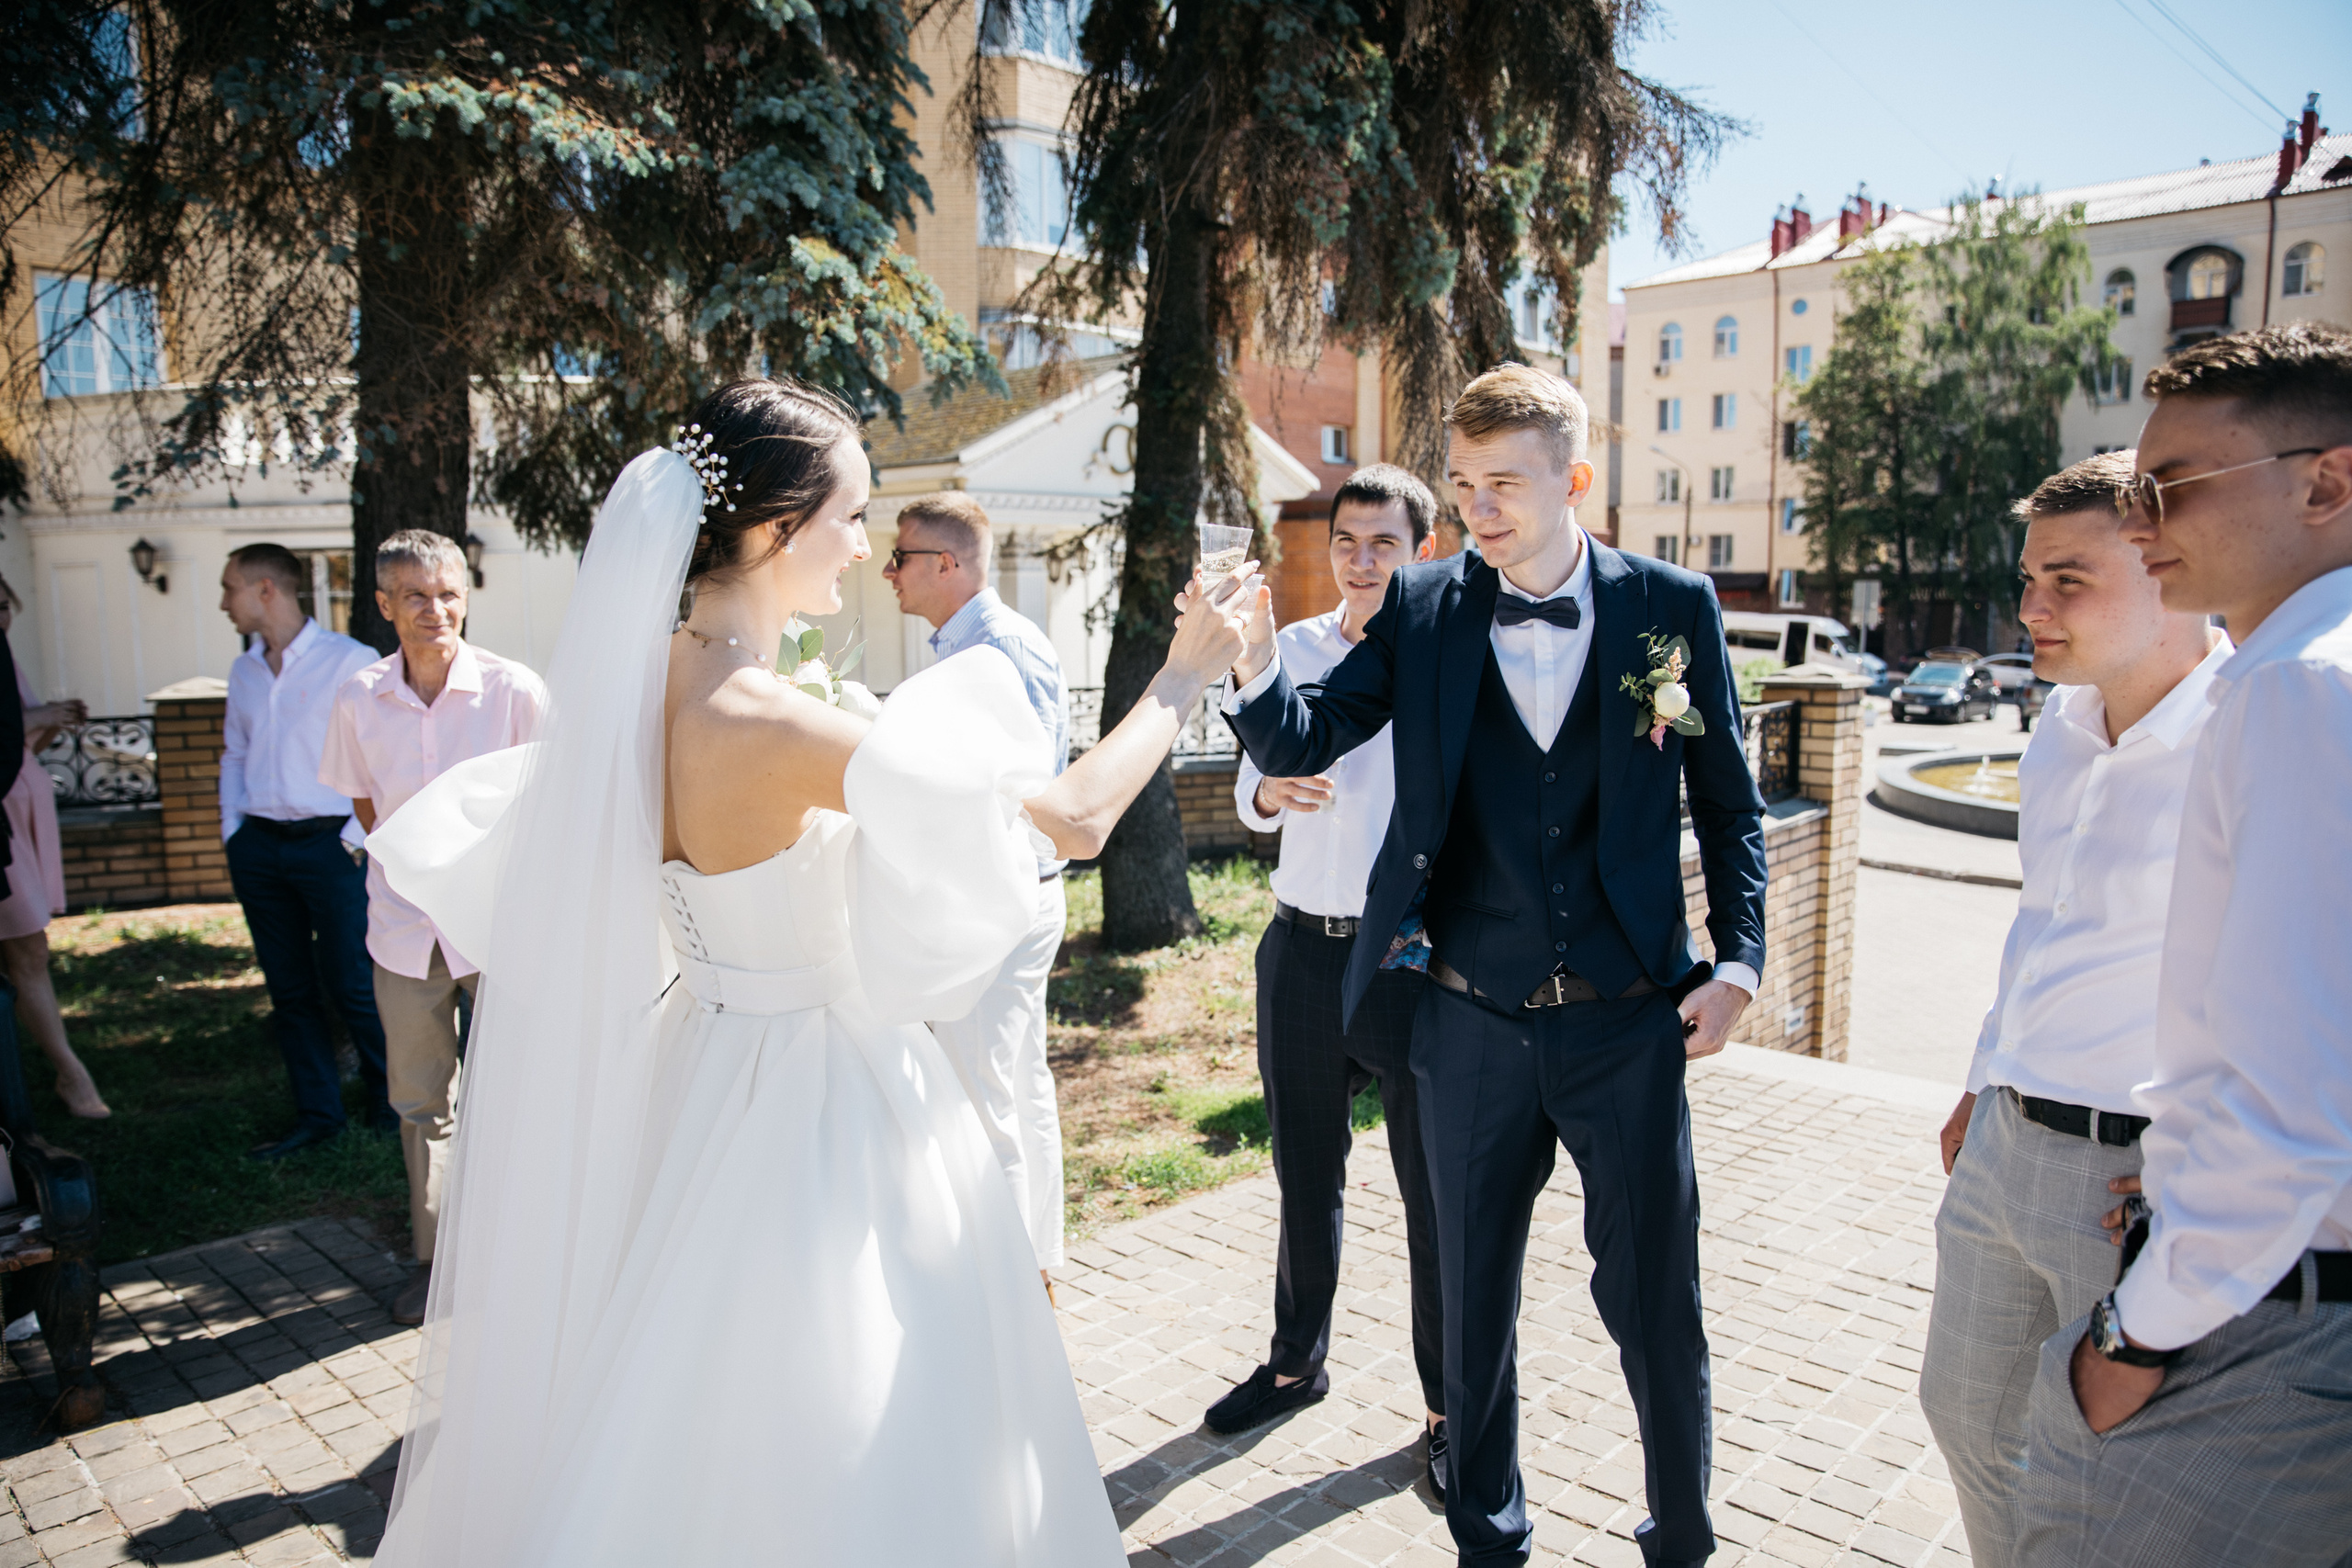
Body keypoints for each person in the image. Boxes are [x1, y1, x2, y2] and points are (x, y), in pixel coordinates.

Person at [360, 378, 1257, 1566]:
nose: (865, 546)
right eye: (850, 515)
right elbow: (1075, 819)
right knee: (854, 1428)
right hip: (829, 1099)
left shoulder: (645, 695)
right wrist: (1185, 672)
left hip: (703, 1068)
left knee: (683, 1405)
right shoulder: (770, 721)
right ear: (777, 530)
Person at [1224, 364, 1766, 1568]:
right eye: (1463, 484)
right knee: (1470, 1306)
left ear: (1575, 480)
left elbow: (1726, 799)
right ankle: (1489, 1537)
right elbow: (1308, 737)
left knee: (1654, 1299)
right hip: (1466, 1017)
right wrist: (1257, 661)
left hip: (1630, 1022)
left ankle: (1681, 1530)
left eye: (1505, 483)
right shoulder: (1421, 608)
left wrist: (1737, 960)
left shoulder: (1667, 607)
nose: (1478, 507)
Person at [2012, 324, 2352, 1564]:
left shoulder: (2299, 685)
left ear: (2325, 480)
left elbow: (2290, 1105)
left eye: (2175, 484)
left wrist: (2134, 1332)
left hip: (2260, 1322)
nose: (2141, 513)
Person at [1917, 452, 2229, 1567]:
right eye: (2027, 580)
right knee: (1964, 1418)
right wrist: (1981, 1072)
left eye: (2066, 580)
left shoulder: (2254, 729)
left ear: (2164, 570)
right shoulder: (2057, 727)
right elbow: (2039, 927)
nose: (2029, 609)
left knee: (2111, 1465)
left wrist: (2211, 1155)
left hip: (2133, 1182)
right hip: (2003, 1142)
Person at [1204, 466, 1453, 1488]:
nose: (1359, 560)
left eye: (1382, 544)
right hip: (1300, 950)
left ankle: (1448, 1411)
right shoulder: (1289, 652)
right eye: (1348, 542)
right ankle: (1293, 1362)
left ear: (1419, 553)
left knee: (1433, 1203)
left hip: (1407, 963)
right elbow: (1243, 793)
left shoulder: (1444, 661)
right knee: (1305, 1177)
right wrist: (1268, 786)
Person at [320, 530, 546, 1326]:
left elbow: (546, 807)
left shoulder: (517, 691)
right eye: (415, 594)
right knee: (421, 1103)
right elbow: (365, 802)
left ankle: (531, 1251)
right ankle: (437, 1262)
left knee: (527, 1086)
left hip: (500, 929)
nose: (435, 608)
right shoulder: (358, 697)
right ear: (384, 604)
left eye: (447, 591)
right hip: (405, 932)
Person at [882, 491, 1072, 1284]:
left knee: (983, 1095)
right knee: (1019, 1086)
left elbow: (1031, 790)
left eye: (901, 557)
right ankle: (1035, 1268)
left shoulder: (998, 649)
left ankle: (1004, 1297)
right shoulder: (965, 643)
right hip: (1000, 894)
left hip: (1003, 899)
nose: (888, 571)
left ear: (948, 564)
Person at [218, 543, 390, 1159]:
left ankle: (390, 1106)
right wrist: (232, 829)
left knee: (353, 982)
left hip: (330, 846)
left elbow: (378, 757)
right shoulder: (243, 672)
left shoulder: (350, 661)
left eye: (228, 587)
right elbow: (234, 752)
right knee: (289, 991)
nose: (222, 602)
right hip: (260, 847)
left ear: (266, 589)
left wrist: (352, 840)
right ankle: (319, 1115)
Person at [0, 578, 107, 1119]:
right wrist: (35, 718)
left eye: (5, 607)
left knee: (29, 947)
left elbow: (15, 742)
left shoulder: (6, 656)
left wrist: (48, 721)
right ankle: (71, 1074)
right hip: (3, 820)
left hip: (18, 808)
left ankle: (56, 1072)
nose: (2, 618)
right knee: (26, 946)